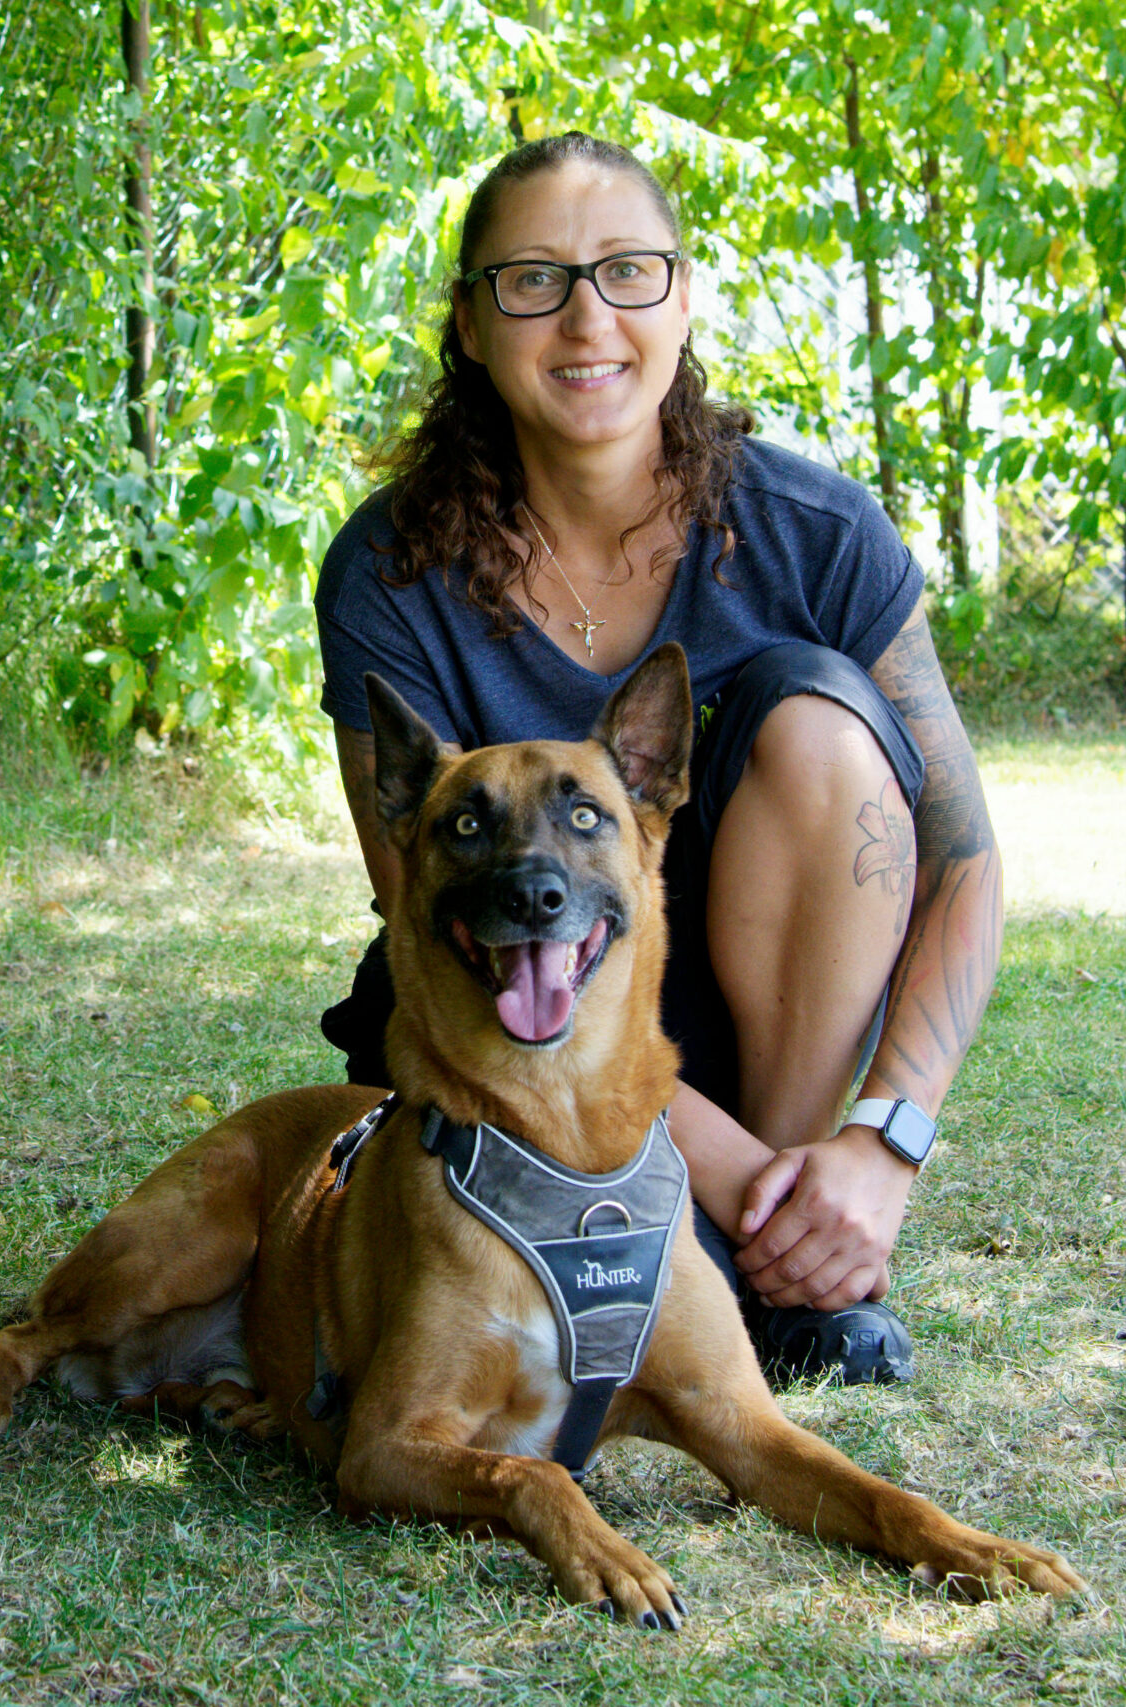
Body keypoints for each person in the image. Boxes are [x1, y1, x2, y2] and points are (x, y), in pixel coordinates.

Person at [314, 131, 1002, 1387]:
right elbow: (417, 907)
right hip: (507, 1039)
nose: (586, 319)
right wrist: (752, 1190)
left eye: (626, 271)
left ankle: (784, 1277)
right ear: (470, 324)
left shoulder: (818, 533)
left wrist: (875, 1151)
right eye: (532, 279)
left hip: (768, 1014)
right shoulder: (389, 572)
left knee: (820, 719)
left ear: (682, 298)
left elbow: (965, 870)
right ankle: (757, 1232)